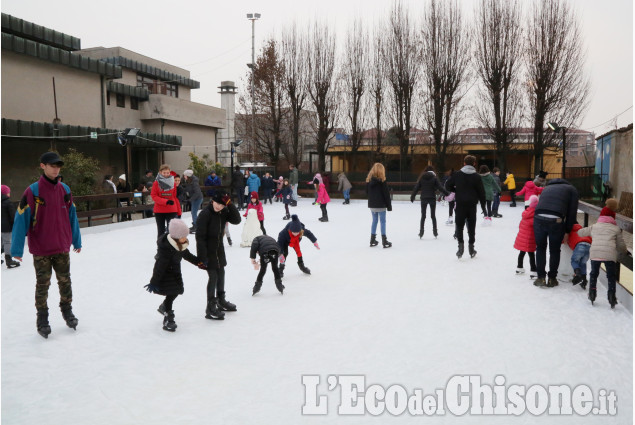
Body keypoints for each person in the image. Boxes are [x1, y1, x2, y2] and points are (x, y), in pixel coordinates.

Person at [11, 152, 82, 339]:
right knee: (43, 285)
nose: (56, 168)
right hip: (41, 248)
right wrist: (16, 249)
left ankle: (67, 310)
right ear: (42, 166)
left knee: (65, 281)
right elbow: (21, 219)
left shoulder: (65, 189)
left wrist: (76, 240)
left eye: (58, 165)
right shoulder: (32, 191)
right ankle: (42, 318)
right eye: (52, 165)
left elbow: (72, 216)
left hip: (61, 246)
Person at [144, 219, 206, 332]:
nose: (185, 238)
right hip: (165, 275)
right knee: (172, 292)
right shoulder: (166, 250)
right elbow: (159, 267)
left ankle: (164, 307)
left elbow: (187, 255)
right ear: (176, 237)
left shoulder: (179, 244)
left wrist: (198, 262)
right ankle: (168, 316)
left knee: (177, 291)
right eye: (183, 236)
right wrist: (154, 282)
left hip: (175, 272)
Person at [196, 190, 241, 320]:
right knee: (213, 277)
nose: (219, 206)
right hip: (207, 251)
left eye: (222, 205)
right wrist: (202, 257)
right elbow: (200, 238)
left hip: (219, 249)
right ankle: (210, 307)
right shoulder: (205, 214)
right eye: (217, 203)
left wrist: (230, 205)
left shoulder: (223, 212)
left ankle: (221, 301)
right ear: (212, 201)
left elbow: (237, 220)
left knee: (221, 274)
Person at [577, 200, 627, 308]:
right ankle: (611, 295)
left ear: (601, 216)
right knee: (611, 276)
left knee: (594, 274)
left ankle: (592, 293)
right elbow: (621, 246)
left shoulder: (594, 226)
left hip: (595, 254)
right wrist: (625, 251)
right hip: (610, 255)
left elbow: (581, 233)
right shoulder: (616, 228)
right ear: (613, 218)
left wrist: (577, 227)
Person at [532, 177, 579, 288]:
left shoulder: (547, 188)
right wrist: (567, 230)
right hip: (556, 221)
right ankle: (552, 279)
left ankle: (541, 278)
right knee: (554, 251)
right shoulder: (571, 189)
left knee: (540, 248)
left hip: (538, 218)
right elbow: (572, 212)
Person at [446, 155, 486, 259]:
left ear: (464, 163)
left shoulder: (457, 175)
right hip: (472, 206)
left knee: (459, 226)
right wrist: (483, 207)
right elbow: (482, 193)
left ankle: (460, 247)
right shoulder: (477, 177)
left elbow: (447, 185)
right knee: (471, 227)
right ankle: (471, 248)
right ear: (474, 164)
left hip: (460, 205)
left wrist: (456, 190)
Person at [410, 165, 449, 239]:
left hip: (424, 198)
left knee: (423, 216)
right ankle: (435, 231)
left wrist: (412, 196)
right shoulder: (434, 178)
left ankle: (421, 231)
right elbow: (440, 187)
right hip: (432, 198)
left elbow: (416, 188)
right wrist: (447, 193)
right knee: (433, 216)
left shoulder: (422, 178)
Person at [366, 163, 392, 248]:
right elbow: (386, 194)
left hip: (372, 206)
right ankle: (384, 241)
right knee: (383, 222)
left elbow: (367, 192)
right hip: (381, 205)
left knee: (374, 221)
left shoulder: (368, 181)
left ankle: (372, 240)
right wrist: (389, 206)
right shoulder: (382, 181)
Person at [151, 164, 181, 238]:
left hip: (171, 210)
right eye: (164, 173)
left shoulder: (173, 183)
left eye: (168, 173)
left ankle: (171, 247)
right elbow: (154, 196)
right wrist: (165, 201)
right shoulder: (156, 183)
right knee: (161, 231)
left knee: (171, 231)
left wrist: (179, 211)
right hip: (159, 210)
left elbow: (174, 197)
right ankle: (161, 248)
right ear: (160, 172)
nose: (166, 174)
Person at [513, 195, 539, 278]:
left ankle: (519, 267)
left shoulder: (526, 213)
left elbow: (520, 226)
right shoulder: (536, 216)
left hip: (522, 237)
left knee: (522, 252)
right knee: (531, 254)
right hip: (530, 238)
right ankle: (533, 271)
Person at [567, 222, 592, 289]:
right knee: (583, 263)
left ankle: (577, 274)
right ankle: (584, 280)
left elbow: (565, 240)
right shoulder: (583, 230)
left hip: (579, 245)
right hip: (589, 246)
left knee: (574, 261)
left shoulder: (570, 231)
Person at [1, 185, 20, 268]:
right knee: (7, 242)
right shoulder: (8, 203)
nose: (9, 194)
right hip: (6, 227)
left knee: (1, 241)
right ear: (5, 193)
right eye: (8, 192)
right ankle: (9, 260)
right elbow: (13, 216)